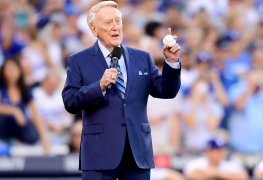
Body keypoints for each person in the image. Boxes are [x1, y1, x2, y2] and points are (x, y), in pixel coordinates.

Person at [61, 1, 181, 180]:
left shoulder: (143, 58)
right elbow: (70, 101)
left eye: (118, 21)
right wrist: (99, 86)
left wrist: (171, 63)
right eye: (108, 23)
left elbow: (166, 91)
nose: (115, 27)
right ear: (93, 30)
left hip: (137, 153)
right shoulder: (79, 60)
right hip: (99, 155)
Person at [0, 58, 49, 153]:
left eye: (14, 69)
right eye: (8, 70)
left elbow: (35, 114)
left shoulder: (24, 89)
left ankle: (15, 141)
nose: (11, 73)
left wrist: (44, 138)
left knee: (32, 135)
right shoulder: (1, 88)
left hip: (19, 125)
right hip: (4, 125)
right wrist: (14, 111)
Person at [183, 137, 248, 179]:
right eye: (218, 151)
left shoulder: (231, 165)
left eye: (223, 150)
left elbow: (243, 177)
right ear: (208, 152)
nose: (222, 153)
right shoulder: (196, 163)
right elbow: (191, 174)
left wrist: (214, 172)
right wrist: (224, 175)